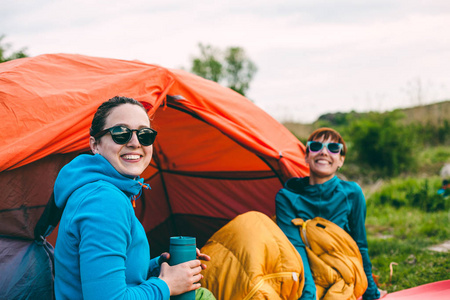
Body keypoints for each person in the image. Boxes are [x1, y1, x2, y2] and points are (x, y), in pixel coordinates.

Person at [54, 96, 210, 299]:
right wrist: (166, 285)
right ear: (95, 145)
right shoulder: (104, 201)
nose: (135, 143)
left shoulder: (102, 191)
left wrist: (159, 267)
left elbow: (118, 277)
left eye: (145, 135)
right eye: (121, 133)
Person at [275, 127, 386, 300]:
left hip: (341, 272)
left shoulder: (352, 193)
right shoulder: (287, 197)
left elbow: (360, 244)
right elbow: (295, 248)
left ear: (341, 160)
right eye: (316, 146)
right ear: (306, 156)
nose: (324, 152)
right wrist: (308, 295)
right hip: (302, 276)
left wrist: (370, 291)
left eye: (334, 148)